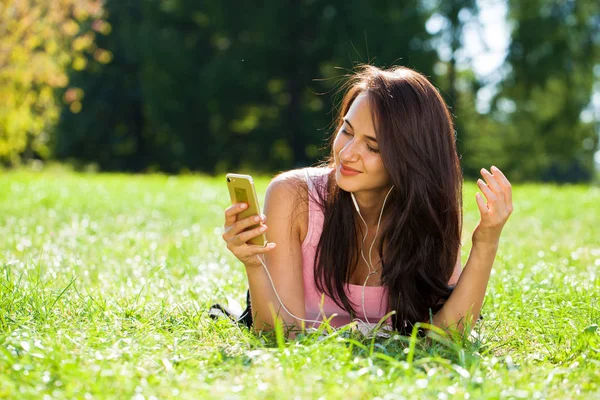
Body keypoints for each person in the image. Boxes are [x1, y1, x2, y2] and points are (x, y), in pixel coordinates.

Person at [214, 65, 513, 337]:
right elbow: (280, 334)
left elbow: (444, 338)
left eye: (372, 146)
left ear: (412, 161)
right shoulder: (293, 198)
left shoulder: (430, 215)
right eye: (347, 130)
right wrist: (254, 265)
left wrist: (486, 243)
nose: (346, 153)